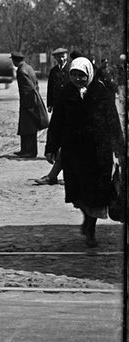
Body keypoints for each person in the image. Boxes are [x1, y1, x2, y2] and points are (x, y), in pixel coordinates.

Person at [44, 57, 125, 247]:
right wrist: (51, 148)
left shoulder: (102, 92)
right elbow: (56, 123)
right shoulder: (66, 93)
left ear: (89, 73)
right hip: (74, 152)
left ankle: (90, 228)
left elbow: (113, 122)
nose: (77, 79)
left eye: (81, 75)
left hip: (98, 152)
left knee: (96, 194)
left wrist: (119, 149)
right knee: (79, 193)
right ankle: (87, 220)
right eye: (74, 75)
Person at [35, 48, 69, 185]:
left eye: (63, 56)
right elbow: (50, 88)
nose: (61, 58)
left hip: (69, 106)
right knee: (56, 130)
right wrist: (50, 104)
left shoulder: (73, 69)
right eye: (58, 57)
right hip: (57, 106)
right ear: (55, 58)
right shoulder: (54, 71)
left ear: (66, 56)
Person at [11, 51, 48, 158]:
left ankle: (30, 152)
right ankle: (25, 150)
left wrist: (28, 105)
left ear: (15, 60)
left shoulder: (21, 71)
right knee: (26, 127)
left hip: (28, 102)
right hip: (32, 100)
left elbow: (27, 89)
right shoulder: (28, 68)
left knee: (28, 127)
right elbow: (36, 85)